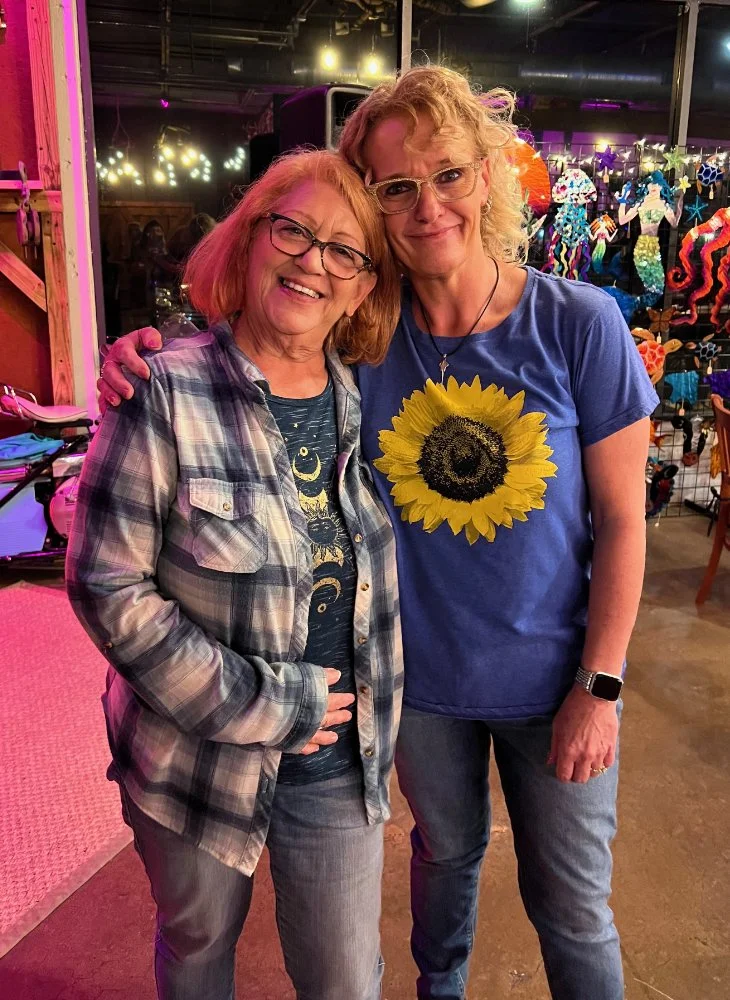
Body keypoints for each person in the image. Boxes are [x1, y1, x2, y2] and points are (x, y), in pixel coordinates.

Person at [98, 66, 659, 1000]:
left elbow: (625, 518)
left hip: (556, 678)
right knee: (445, 859)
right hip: (417, 688)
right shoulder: (365, 335)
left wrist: (601, 683)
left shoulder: (580, 322)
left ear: (487, 174)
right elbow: (254, 330)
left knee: (572, 905)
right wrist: (142, 356)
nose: (427, 204)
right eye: (396, 187)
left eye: (447, 173)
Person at [67, 148, 403, 1000]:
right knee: (197, 948)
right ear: (248, 240)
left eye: (343, 251)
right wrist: (267, 702)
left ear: (362, 286)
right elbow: (107, 586)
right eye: (292, 230)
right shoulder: (161, 391)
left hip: (340, 756)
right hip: (194, 763)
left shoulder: (372, 396)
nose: (311, 262)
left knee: (344, 980)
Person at [617, 169, 683, 298]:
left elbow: (674, 223)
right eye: (651, 183)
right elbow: (622, 220)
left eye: (657, 184)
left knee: (657, 282)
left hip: (654, 246)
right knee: (644, 280)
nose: (654, 187)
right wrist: (622, 202)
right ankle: (640, 306)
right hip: (641, 246)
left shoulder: (664, 205)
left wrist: (680, 204)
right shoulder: (641, 203)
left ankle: (646, 308)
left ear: (662, 186)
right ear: (646, 185)